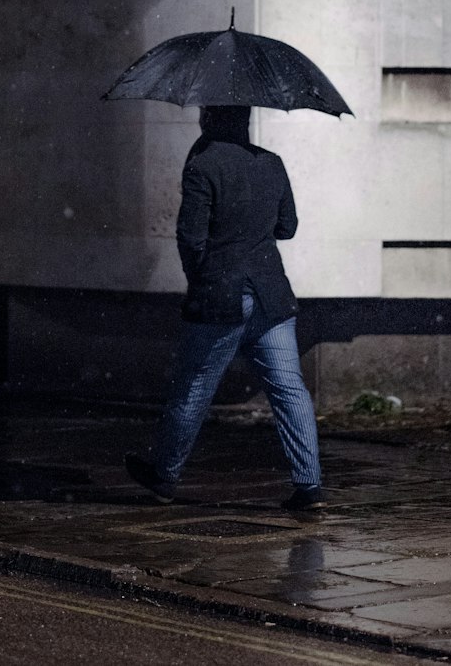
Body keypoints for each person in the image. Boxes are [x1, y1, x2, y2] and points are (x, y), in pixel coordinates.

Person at [125, 104, 323, 511]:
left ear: (208, 119)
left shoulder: (203, 165)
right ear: (246, 119)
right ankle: (309, 486)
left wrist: (201, 279)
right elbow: (287, 227)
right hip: (271, 296)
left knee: (194, 387)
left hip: (221, 297)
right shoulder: (272, 163)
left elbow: (191, 238)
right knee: (290, 390)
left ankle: (165, 478)